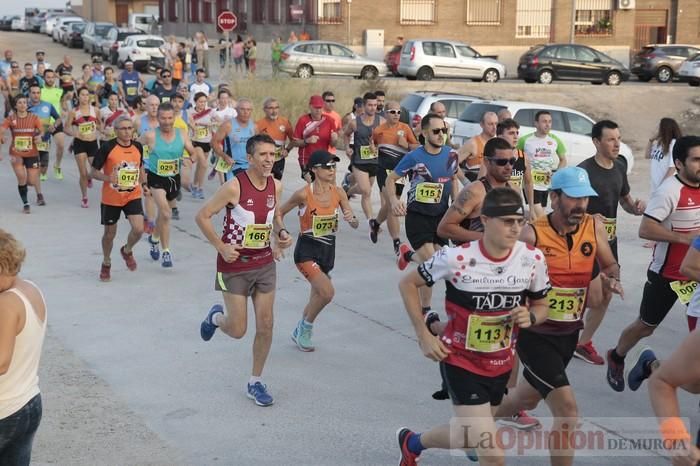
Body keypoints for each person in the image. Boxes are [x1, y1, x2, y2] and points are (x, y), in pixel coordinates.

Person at [396, 187, 551, 466]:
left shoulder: (532, 258)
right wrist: (423, 335)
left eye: (520, 221)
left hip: (500, 365)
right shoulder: (456, 258)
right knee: (492, 453)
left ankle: (412, 442)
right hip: (460, 362)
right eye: (507, 221)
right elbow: (408, 283)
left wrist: (533, 317)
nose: (515, 228)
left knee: (469, 437)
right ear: (486, 219)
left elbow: (542, 304)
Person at [494, 167, 623, 466]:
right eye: (573, 198)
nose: (580, 206)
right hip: (534, 334)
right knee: (567, 411)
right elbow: (503, 280)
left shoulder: (594, 227)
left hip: (568, 334)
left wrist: (610, 279)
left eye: (585, 199)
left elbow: (610, 265)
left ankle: (477, 423)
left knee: (525, 398)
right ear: (554, 198)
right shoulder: (532, 234)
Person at [196, 134, 293, 407]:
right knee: (238, 329)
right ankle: (216, 318)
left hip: (263, 263)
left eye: (272, 155)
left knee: (266, 324)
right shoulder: (234, 187)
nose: (268, 160)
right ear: (249, 158)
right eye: (262, 155)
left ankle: (255, 381)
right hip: (234, 265)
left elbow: (275, 218)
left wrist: (282, 233)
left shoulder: (276, 185)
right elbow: (202, 216)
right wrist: (220, 246)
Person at [606, 136, 700, 392]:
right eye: (696, 159)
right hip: (668, 276)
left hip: (694, 276)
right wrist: (685, 239)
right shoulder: (669, 191)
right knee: (645, 326)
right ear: (679, 163)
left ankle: (667, 371)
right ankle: (617, 356)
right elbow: (646, 229)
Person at [573, 120, 646, 365]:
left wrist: (635, 208)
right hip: (585, 244)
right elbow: (565, 208)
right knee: (583, 295)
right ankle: (566, 335)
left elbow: (624, 200)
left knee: (606, 294)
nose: (617, 144)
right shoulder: (583, 171)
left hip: (610, 243)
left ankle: (583, 342)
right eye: (611, 139)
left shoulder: (619, 167)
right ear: (596, 142)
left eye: (618, 138)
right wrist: (587, 218)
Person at [279, 150, 359, 351]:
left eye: (334, 166)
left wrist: (352, 219)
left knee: (317, 297)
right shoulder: (303, 194)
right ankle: (306, 328)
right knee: (326, 292)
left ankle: (299, 330)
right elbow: (278, 213)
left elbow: (354, 221)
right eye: (326, 166)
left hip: (327, 253)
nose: (332, 170)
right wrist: (280, 233)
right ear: (314, 170)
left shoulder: (339, 192)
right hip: (306, 251)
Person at [386, 113, 460, 313]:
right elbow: (390, 179)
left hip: (441, 217)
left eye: (444, 131)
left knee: (437, 265)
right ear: (425, 133)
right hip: (418, 216)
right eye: (436, 131)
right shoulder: (414, 157)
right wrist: (394, 200)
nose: (441, 135)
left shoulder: (451, 155)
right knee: (433, 263)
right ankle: (426, 311)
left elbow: (453, 180)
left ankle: (408, 256)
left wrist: (456, 208)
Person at [0, 229, 47, 466]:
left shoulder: (7, 303)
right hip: (28, 401)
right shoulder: (30, 289)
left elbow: (1, 362)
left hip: (4, 409)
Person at [141, 102, 198, 268]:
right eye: (163, 118)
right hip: (155, 178)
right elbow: (134, 148)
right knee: (166, 213)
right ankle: (166, 252)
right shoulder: (150, 135)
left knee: (164, 214)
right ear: (157, 118)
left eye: (169, 118)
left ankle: (154, 238)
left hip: (174, 179)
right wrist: (140, 172)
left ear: (175, 117)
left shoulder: (182, 134)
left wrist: (189, 159)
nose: (166, 122)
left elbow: (192, 152)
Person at [90, 115, 146, 281]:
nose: (128, 132)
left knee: (139, 229)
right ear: (115, 131)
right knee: (109, 234)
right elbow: (92, 172)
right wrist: (108, 178)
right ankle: (106, 262)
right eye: (123, 128)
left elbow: (140, 165)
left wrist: (145, 183)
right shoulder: (107, 147)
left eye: (130, 128)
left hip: (132, 195)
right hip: (111, 198)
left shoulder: (137, 146)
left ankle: (127, 250)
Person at [370, 100, 419, 257]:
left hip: (400, 172)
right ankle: (397, 242)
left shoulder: (405, 128)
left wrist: (406, 145)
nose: (396, 115)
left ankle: (376, 223)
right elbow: (374, 143)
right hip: (383, 170)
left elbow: (418, 147)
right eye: (392, 112)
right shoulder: (378, 130)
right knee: (393, 204)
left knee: (392, 204)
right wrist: (372, 148)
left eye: (398, 112)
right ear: (385, 113)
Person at [517, 110, 567, 218]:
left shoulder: (555, 140)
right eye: (544, 121)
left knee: (535, 219)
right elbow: (515, 157)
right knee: (541, 218)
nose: (548, 124)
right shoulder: (525, 140)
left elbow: (563, 160)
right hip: (530, 184)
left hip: (546, 185)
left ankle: (529, 233)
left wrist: (557, 174)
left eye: (550, 121)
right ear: (536, 123)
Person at [344, 92, 384, 224]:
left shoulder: (382, 122)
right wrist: (347, 148)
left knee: (364, 189)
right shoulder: (355, 123)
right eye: (370, 105)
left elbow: (386, 140)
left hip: (374, 161)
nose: (373, 108)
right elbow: (346, 134)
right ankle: (370, 222)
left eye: (375, 105)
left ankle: (348, 192)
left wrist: (377, 148)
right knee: (366, 191)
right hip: (359, 161)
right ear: (364, 106)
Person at [0, 95, 44, 213]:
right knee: (21, 177)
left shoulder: (34, 118)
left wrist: (40, 136)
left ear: (27, 104)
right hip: (16, 153)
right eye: (20, 103)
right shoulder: (10, 119)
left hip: (32, 153)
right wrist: (2, 136)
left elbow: (42, 131)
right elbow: (1, 130)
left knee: (32, 181)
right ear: (15, 105)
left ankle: (32, 189)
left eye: (24, 102)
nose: (23, 105)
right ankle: (26, 203)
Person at [65, 87, 102, 208]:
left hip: (92, 143)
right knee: (82, 173)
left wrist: (105, 132)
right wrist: (74, 134)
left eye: (87, 95)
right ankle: (84, 197)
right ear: (78, 96)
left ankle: (89, 178)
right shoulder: (74, 112)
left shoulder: (95, 110)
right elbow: (66, 127)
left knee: (95, 169)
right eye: (83, 95)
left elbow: (99, 124)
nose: (85, 97)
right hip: (80, 143)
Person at [293, 95, 340, 182]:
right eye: (315, 107)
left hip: (323, 158)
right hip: (307, 159)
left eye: (320, 107)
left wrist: (334, 140)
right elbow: (295, 142)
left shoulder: (330, 120)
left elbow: (333, 144)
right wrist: (307, 141)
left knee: (330, 184)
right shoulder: (303, 120)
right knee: (314, 185)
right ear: (310, 106)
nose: (318, 110)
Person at [212, 97, 255, 181]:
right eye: (242, 109)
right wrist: (224, 156)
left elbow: (260, 146)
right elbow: (213, 142)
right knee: (233, 192)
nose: (246, 112)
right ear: (236, 110)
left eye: (248, 109)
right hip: (231, 166)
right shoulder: (228, 125)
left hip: (249, 166)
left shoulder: (255, 126)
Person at [27, 85, 59, 188]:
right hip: (30, 141)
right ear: (29, 94)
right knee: (32, 165)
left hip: (44, 140)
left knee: (44, 168)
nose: (36, 95)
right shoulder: (25, 106)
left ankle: (34, 178)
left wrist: (54, 125)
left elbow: (58, 118)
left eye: (38, 93)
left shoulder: (48, 106)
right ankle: (37, 189)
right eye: (33, 93)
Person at [255, 97, 294, 180]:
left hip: (278, 160)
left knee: (276, 184)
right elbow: (254, 144)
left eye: (276, 108)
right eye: (271, 108)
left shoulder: (285, 122)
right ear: (264, 109)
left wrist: (287, 150)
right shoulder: (258, 124)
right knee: (264, 183)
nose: (274, 111)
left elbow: (293, 140)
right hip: (264, 160)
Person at [187, 91, 216, 198]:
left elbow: (219, 121)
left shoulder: (210, 112)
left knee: (200, 166)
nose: (202, 104)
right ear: (195, 102)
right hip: (195, 141)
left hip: (207, 142)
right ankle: (200, 188)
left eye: (204, 102)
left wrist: (209, 123)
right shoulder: (190, 112)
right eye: (200, 102)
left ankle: (194, 185)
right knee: (204, 164)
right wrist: (198, 124)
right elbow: (191, 124)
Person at [39, 69, 66, 180]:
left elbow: (62, 104)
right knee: (44, 149)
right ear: (44, 78)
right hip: (43, 123)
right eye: (48, 77)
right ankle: (43, 171)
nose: (50, 79)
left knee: (61, 145)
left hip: (56, 122)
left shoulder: (59, 91)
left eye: (52, 77)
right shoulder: (40, 91)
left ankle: (57, 166)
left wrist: (64, 110)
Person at [457, 111, 497, 183]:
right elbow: (452, 163)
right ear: (482, 124)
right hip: (475, 187)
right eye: (490, 124)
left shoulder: (497, 143)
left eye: (496, 124)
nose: (494, 127)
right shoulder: (473, 143)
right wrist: (465, 182)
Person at [646, 117, 682, 194]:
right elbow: (647, 155)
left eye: (659, 126)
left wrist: (662, 186)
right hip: (656, 187)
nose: (657, 129)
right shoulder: (659, 144)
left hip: (666, 188)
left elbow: (672, 168)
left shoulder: (673, 143)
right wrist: (651, 140)